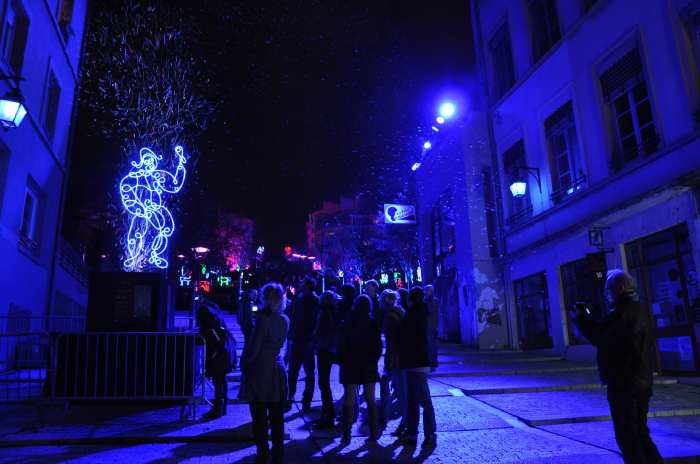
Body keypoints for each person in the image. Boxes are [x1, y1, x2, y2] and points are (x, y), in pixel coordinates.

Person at [572, 270, 662, 464]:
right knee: (640, 432)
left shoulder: (623, 313)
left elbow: (600, 337)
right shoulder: (636, 310)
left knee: (628, 436)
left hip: (625, 382)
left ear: (619, 289)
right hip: (640, 380)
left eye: (609, 290)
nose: (607, 294)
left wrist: (581, 319)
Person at [238, 282, 289, 464]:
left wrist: (245, 361)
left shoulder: (262, 319)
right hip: (277, 369)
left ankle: (263, 453)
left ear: (266, 298)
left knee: (260, 418)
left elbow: (255, 348)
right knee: (277, 417)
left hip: (261, 370)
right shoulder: (284, 319)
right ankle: (278, 453)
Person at [337, 295, 382, 445]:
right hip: (368, 365)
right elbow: (378, 347)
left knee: (349, 400)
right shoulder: (373, 323)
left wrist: (342, 360)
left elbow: (342, 345)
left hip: (350, 365)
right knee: (370, 400)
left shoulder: (347, 322)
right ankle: (374, 432)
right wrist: (373, 361)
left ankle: (346, 435)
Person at [400, 287, 437, 450]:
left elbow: (405, 339)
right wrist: (433, 359)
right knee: (422, 400)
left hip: (412, 362)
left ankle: (417, 434)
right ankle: (426, 434)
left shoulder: (410, 315)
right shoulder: (426, 314)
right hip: (421, 362)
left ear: (410, 298)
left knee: (415, 401)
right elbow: (431, 338)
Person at [196, 303, 235, 419]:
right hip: (225, 357)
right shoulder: (217, 322)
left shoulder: (211, 328)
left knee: (218, 383)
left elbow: (217, 343)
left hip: (219, 358)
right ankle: (222, 408)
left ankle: (217, 409)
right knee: (221, 382)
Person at [286, 276, 319, 412]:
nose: (300, 284)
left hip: (306, 341)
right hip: (301, 341)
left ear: (307, 286)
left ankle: (301, 399)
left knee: (304, 373)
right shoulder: (300, 299)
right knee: (297, 372)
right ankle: (295, 398)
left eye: (303, 283)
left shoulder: (312, 300)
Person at [378, 289, 407, 435]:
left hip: (395, 358)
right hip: (402, 357)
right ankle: (402, 422)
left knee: (392, 387)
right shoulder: (400, 312)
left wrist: (390, 361)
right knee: (400, 389)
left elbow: (393, 341)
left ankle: (387, 417)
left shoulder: (389, 317)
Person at [311, 290, 340, 428]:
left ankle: (328, 415)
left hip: (324, 350)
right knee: (324, 383)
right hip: (329, 349)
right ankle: (327, 413)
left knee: (323, 383)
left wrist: (315, 341)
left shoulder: (324, 313)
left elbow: (321, 332)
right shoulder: (334, 312)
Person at [424, 285, 439, 370]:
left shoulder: (433, 301)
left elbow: (430, 311)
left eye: (428, 290)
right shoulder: (426, 300)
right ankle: (431, 362)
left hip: (431, 325)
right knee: (430, 345)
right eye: (426, 290)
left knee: (432, 345)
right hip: (429, 325)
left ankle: (432, 362)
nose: (426, 292)